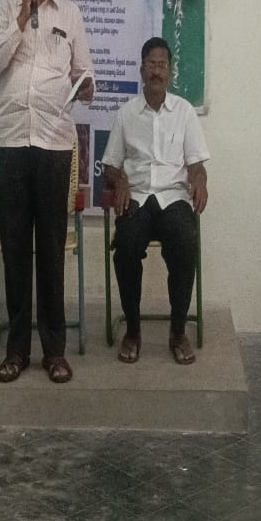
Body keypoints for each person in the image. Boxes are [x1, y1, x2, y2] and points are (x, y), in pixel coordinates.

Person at [0, 0, 95, 384]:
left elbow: (84, 71)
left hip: (54, 144)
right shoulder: (3, 7)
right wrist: (20, 17)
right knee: (14, 250)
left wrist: (87, 85)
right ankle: (16, 351)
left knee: (50, 250)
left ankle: (54, 352)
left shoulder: (70, 12)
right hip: (11, 142)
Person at [101, 37, 209, 365]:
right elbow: (110, 165)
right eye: (151, 65)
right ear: (141, 70)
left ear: (171, 72)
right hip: (137, 197)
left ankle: (178, 331)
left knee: (185, 243)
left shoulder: (184, 112)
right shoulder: (126, 113)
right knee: (126, 247)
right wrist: (120, 180)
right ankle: (133, 330)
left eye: (162, 65)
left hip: (173, 197)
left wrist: (200, 181)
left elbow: (196, 165)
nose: (157, 72)